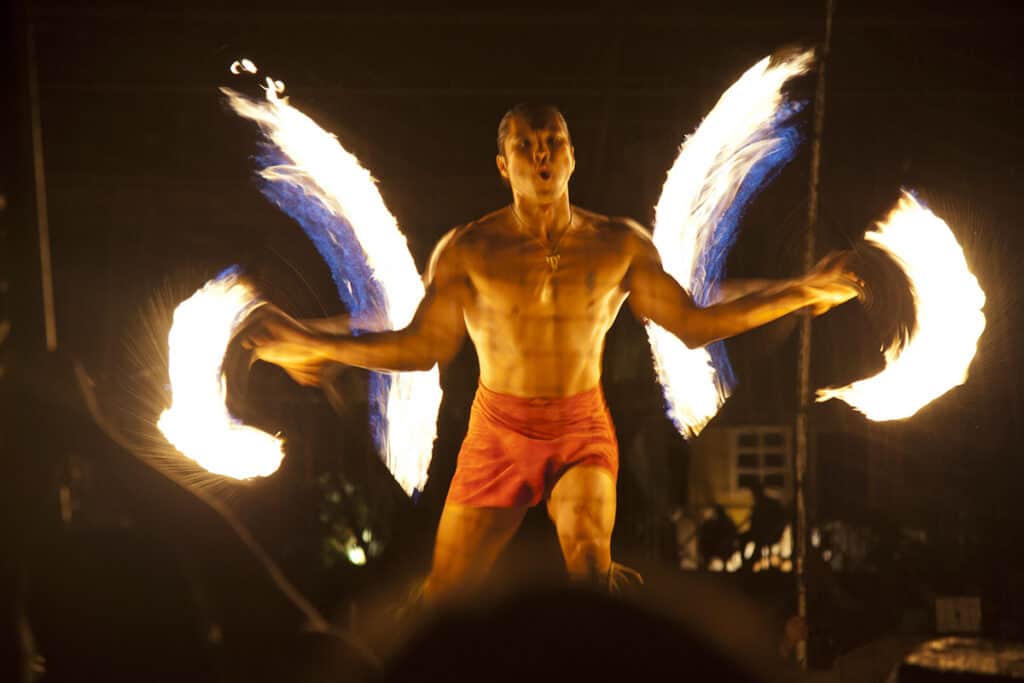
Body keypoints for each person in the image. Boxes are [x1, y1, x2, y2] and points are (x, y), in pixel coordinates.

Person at [247, 103, 859, 601]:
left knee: (591, 571)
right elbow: (421, 348)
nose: (540, 152)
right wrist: (309, 341)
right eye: (525, 144)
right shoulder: (468, 249)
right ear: (502, 164)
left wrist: (800, 291)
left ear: (572, 155)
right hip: (497, 432)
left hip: (580, 428)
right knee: (445, 596)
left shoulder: (618, 244)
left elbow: (692, 324)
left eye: (553, 140)